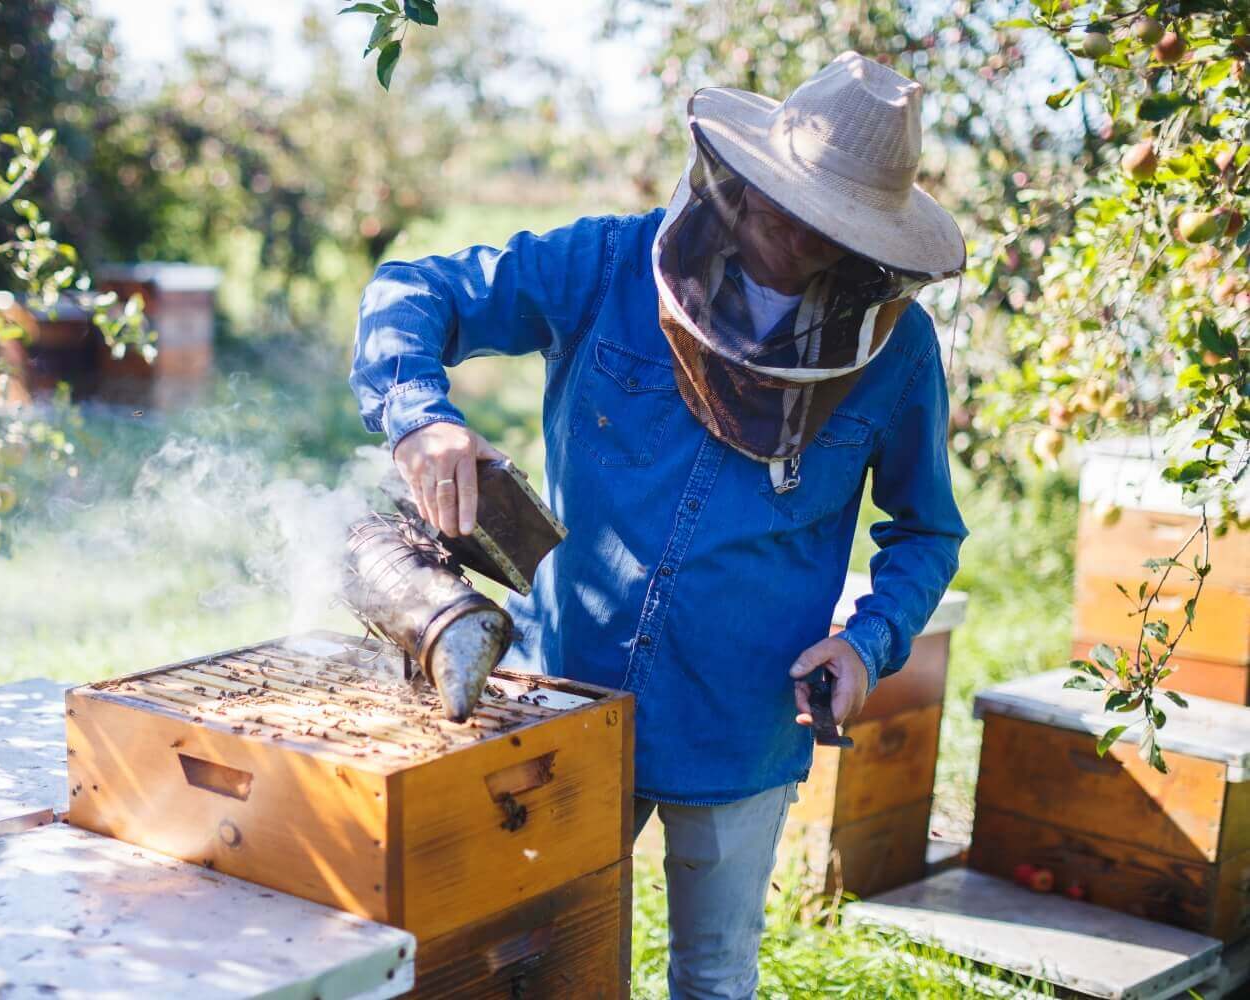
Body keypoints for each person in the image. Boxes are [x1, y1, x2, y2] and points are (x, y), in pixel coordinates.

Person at [350, 51, 967, 999]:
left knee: (714, 978)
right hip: (562, 694)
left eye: (828, 221)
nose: (795, 232)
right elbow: (413, 288)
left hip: (741, 719)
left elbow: (927, 530)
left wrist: (869, 643)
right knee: (534, 963)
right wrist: (421, 418)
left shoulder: (894, 349)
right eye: (785, 197)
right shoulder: (605, 265)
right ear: (746, 167)